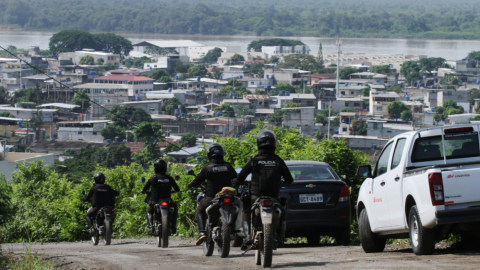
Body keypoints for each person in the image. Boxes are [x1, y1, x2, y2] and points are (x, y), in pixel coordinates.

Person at [234, 130, 294, 250]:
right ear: (274, 144)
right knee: (283, 210)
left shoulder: (254, 160)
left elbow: (240, 177)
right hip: (273, 197)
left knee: (245, 208)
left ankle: (247, 237)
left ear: (258, 143)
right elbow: (289, 179)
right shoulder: (278, 161)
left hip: (256, 196)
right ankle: (280, 236)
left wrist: (236, 183)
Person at [187, 143, 237, 245]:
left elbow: (197, 180)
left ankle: (202, 232)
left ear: (210, 155)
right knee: (236, 208)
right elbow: (235, 177)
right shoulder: (228, 166)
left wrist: (191, 185)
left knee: (200, 210)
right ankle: (233, 229)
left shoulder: (208, 168)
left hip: (212, 197)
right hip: (228, 196)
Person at [141, 159, 180, 235]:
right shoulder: (170, 178)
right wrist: (173, 191)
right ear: (165, 168)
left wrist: (143, 191)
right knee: (175, 209)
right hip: (168, 201)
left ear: (155, 168)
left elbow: (144, 190)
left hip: (155, 201)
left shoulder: (152, 179)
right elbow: (177, 189)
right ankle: (173, 227)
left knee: (149, 212)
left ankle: (151, 228)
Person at [81, 172, 119, 236]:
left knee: (88, 215)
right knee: (112, 215)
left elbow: (88, 197)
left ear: (95, 179)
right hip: (108, 207)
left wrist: (84, 199)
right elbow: (116, 193)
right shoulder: (108, 187)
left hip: (97, 207)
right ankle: (110, 227)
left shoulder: (94, 187)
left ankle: (92, 228)